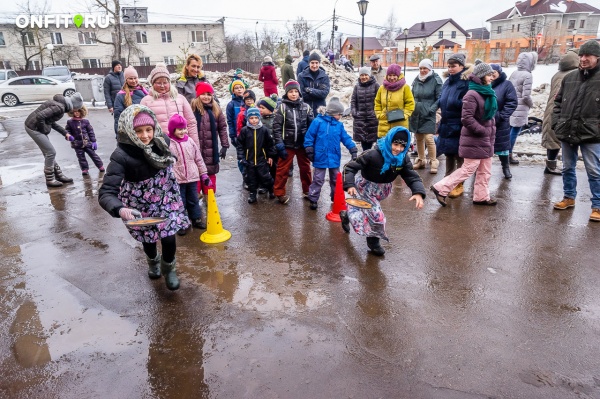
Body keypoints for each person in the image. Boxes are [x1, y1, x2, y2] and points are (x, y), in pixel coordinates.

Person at [98, 105, 190, 290]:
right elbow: (106, 192)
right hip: (140, 205)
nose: (146, 135)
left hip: (166, 200)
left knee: (169, 238)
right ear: (128, 131)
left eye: (149, 129)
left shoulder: (162, 142)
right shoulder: (121, 155)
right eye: (138, 131)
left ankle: (169, 268)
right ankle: (153, 262)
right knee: (148, 240)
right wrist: (119, 209)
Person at [341, 127, 425, 256]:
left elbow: (411, 176)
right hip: (366, 188)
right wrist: (350, 184)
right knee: (377, 216)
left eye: (402, 146)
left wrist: (418, 192)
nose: (398, 149)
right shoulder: (372, 154)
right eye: (395, 144)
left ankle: (346, 215)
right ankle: (373, 242)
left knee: (368, 211)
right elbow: (350, 167)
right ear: (389, 141)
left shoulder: (402, 159)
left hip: (383, 190)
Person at [431, 62, 498, 208]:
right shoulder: (472, 94)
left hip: (487, 139)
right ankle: (440, 188)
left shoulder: (487, 91)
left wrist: (489, 132)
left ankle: (481, 196)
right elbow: (467, 118)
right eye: (489, 74)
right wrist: (483, 131)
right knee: (468, 168)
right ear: (481, 76)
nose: (492, 77)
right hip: (475, 138)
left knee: (485, 170)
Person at [551, 40, 600, 223]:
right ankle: (568, 197)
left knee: (594, 171)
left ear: (597, 57)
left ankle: (597, 206)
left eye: (588, 55)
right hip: (567, 130)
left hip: (592, 134)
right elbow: (557, 102)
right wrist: (557, 123)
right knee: (567, 167)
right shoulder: (569, 77)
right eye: (581, 55)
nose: (583, 59)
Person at [304, 97, 357, 210]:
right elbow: (309, 136)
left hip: (334, 157)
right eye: (339, 114)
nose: (340, 117)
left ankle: (335, 197)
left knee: (335, 179)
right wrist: (309, 149)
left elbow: (345, 138)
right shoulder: (318, 122)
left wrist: (353, 149)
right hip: (320, 156)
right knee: (318, 179)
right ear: (333, 113)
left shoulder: (339, 125)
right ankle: (313, 198)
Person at [24, 92, 84, 187]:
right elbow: (40, 116)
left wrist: (65, 133)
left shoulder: (59, 105)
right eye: (77, 108)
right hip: (33, 127)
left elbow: (51, 122)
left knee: (48, 152)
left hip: (32, 125)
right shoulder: (59, 108)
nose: (76, 110)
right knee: (50, 152)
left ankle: (59, 175)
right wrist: (43, 130)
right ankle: (50, 179)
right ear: (74, 105)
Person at [166, 114, 211, 235]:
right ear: (172, 129)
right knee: (180, 202)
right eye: (179, 129)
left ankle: (196, 218)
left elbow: (198, 159)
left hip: (192, 177)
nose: (183, 131)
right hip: (177, 179)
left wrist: (204, 174)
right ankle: (181, 223)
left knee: (193, 199)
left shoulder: (190, 141)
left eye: (184, 128)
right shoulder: (169, 143)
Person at [272, 80, 314, 204]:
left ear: (299, 93)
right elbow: (277, 127)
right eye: (291, 92)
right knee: (282, 170)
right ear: (286, 93)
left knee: (306, 168)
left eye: (296, 91)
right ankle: (279, 193)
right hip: (287, 145)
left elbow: (312, 127)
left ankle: (308, 190)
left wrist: (310, 143)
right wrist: (279, 143)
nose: (294, 94)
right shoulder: (282, 107)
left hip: (302, 145)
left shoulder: (306, 107)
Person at [437, 53, 473, 198]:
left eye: (454, 66)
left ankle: (458, 184)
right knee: (448, 154)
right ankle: (447, 181)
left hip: (458, 124)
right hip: (446, 123)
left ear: (462, 66)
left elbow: (467, 103)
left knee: (459, 156)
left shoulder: (466, 82)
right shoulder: (447, 82)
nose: (451, 69)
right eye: (449, 66)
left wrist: (455, 103)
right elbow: (442, 98)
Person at [141, 63, 199, 148]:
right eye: (158, 83)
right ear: (153, 84)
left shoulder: (180, 98)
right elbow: (143, 127)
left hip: (182, 144)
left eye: (165, 82)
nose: (162, 86)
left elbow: (191, 123)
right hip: (159, 146)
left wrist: (195, 145)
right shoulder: (146, 101)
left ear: (169, 82)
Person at [541, 49, 579, 175]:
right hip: (560, 111)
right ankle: (553, 167)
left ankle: (551, 165)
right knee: (556, 140)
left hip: (552, 109)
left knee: (553, 139)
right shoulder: (573, 75)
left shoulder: (558, 74)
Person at [191, 82, 229, 195]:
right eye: (203, 94)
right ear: (198, 95)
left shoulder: (216, 110)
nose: (206, 97)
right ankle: (196, 200)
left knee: (210, 176)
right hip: (195, 150)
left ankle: (210, 199)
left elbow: (222, 127)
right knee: (196, 176)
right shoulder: (192, 109)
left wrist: (225, 146)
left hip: (211, 151)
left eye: (209, 94)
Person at [409, 58, 443, 174]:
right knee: (418, 137)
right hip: (417, 112)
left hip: (429, 112)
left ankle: (433, 161)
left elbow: (440, 98)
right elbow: (412, 95)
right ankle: (421, 159)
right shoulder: (416, 79)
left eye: (425, 68)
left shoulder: (436, 80)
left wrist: (432, 110)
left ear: (430, 68)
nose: (422, 70)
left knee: (429, 137)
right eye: (421, 68)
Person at [237, 107, 276, 203]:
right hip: (249, 160)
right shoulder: (244, 130)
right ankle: (252, 194)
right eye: (251, 118)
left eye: (256, 118)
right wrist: (241, 157)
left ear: (259, 118)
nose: (254, 120)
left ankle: (271, 189)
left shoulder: (264, 130)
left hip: (261, 159)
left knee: (265, 177)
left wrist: (270, 156)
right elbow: (240, 145)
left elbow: (269, 144)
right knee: (251, 178)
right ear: (248, 119)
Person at [508, 51, 537, 165]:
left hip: (512, 105)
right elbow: (526, 96)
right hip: (521, 108)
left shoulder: (514, 73)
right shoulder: (528, 75)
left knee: (510, 130)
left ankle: (505, 153)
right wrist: (531, 104)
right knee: (514, 132)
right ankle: (508, 154)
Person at [490, 63, 518, 179]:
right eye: (489, 73)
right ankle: (480, 169)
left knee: (502, 148)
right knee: (484, 147)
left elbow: (512, 102)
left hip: (501, 122)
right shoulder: (485, 84)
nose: (491, 75)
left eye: (494, 73)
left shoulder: (507, 85)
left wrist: (501, 116)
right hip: (486, 122)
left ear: (499, 73)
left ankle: (505, 168)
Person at [374, 63, 415, 138]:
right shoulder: (382, 88)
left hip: (399, 124)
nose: (392, 78)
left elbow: (410, 103)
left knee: (398, 148)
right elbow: (377, 103)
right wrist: (379, 114)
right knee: (384, 148)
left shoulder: (405, 88)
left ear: (398, 75)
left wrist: (405, 115)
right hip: (384, 124)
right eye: (390, 75)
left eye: (394, 75)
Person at [65, 105, 104, 176]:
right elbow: (67, 131)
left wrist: (93, 141)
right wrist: (69, 136)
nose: (76, 113)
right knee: (81, 157)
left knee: (93, 155)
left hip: (87, 143)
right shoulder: (70, 122)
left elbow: (90, 131)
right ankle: (84, 169)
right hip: (77, 143)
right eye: (75, 112)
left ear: (82, 112)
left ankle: (100, 166)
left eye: (78, 112)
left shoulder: (85, 122)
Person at [351, 66, 380, 151]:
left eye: (365, 75)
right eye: (362, 75)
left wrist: (376, 113)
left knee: (373, 142)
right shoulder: (357, 87)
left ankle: (373, 160)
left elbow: (379, 101)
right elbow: (353, 101)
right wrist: (354, 112)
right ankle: (366, 161)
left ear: (369, 75)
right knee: (364, 143)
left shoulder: (376, 85)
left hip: (372, 119)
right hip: (360, 118)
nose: (364, 77)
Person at [113, 66, 148, 135]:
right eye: (131, 78)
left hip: (146, 126)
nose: (134, 81)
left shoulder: (145, 91)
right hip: (131, 128)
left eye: (135, 78)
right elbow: (118, 117)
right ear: (126, 80)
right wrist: (119, 134)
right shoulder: (121, 95)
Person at [258, 95, 279, 195]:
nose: (260, 110)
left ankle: (274, 185)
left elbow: (277, 136)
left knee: (274, 168)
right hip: (262, 150)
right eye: (260, 107)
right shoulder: (259, 120)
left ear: (270, 109)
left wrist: (274, 150)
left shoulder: (276, 121)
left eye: (263, 108)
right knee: (262, 169)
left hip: (273, 150)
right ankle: (263, 185)